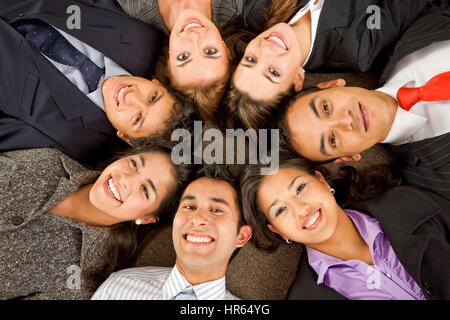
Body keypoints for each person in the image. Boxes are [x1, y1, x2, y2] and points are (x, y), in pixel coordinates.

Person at [0, 0, 196, 165]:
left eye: (137, 118)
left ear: (125, 137)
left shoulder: (69, 140)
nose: (132, 97)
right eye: (153, 97)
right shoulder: (140, 39)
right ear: (158, 84)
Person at [0, 142, 192, 299]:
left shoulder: (83, 276)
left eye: (145, 190)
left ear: (147, 218)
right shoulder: (48, 162)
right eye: (134, 164)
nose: (125, 179)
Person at [240, 155, 450, 299]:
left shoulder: (409, 204)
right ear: (277, 230)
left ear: (321, 180)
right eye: (280, 211)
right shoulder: (306, 297)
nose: (301, 209)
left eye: (300, 188)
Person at [278, 5, 450, 163]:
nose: (345, 120)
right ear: (348, 157)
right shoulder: (432, 176)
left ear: (331, 85)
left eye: (325, 108)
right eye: (332, 140)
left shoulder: (407, 36)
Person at [223, 0, 430, 129]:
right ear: (297, 79)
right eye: (273, 72)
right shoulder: (358, 48)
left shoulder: (255, 9)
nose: (266, 51)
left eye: (250, 60)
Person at [91, 165, 252, 300]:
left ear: (241, 236)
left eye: (216, 210)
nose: (197, 219)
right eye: (189, 207)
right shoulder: (118, 288)